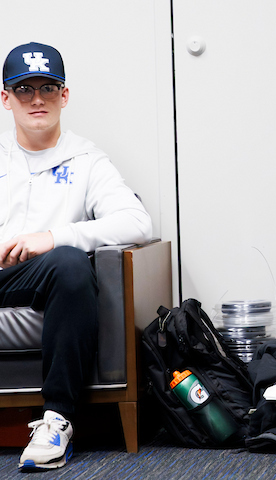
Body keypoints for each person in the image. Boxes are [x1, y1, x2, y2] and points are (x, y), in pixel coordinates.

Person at [0, 42, 152, 470]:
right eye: (24, 89)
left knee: (69, 261)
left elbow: (137, 223)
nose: (36, 99)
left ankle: (56, 420)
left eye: (48, 88)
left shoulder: (86, 160)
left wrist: (53, 237)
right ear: (6, 98)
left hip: (44, 277)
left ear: (64, 95)